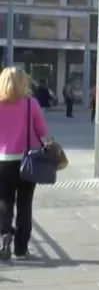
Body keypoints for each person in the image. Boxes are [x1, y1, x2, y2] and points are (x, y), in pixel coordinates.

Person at [0, 67, 49, 261]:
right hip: (28, 160)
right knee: (25, 202)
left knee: (4, 202)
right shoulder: (31, 104)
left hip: (2, 162)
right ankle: (21, 247)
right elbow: (42, 131)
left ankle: (5, 237)